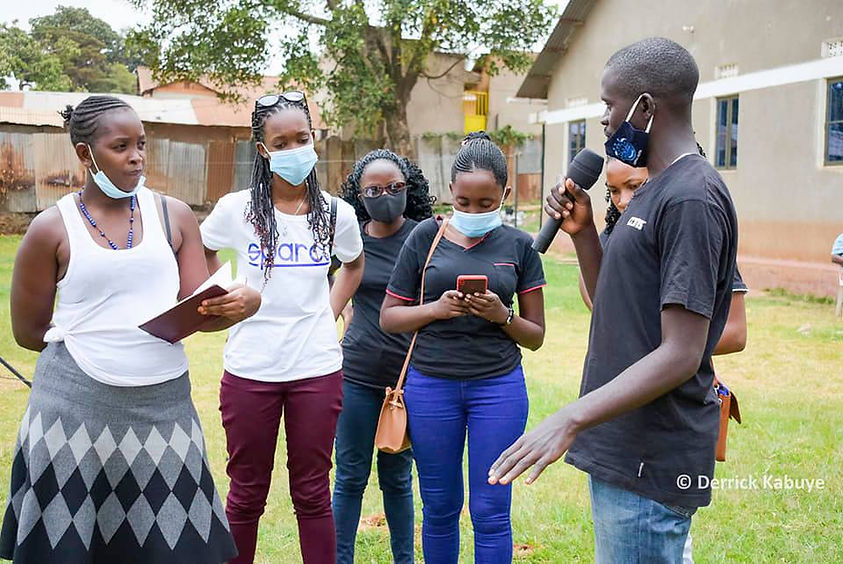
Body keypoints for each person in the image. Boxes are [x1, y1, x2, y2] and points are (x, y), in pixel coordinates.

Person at [489, 38, 739, 564]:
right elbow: (618, 304)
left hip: (651, 455)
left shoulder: (691, 197)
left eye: (609, 106)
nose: (604, 121)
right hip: (624, 444)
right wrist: (583, 235)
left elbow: (681, 352)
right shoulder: (653, 189)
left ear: (645, 107)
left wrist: (571, 418)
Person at [1, 95, 261, 563]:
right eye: (121, 146)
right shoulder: (50, 229)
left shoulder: (174, 215)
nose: (137, 155)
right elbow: (27, 333)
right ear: (85, 154)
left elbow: (199, 310)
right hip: (72, 413)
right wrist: (98, 354)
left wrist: (242, 303)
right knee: (68, 546)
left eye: (141, 143)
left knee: (172, 546)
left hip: (163, 409)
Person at [199, 91, 364, 564]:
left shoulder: (337, 213)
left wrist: (327, 311)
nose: (294, 150)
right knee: (246, 492)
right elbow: (202, 248)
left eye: (302, 138)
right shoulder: (237, 210)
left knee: (312, 492)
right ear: (262, 148)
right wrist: (224, 291)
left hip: (315, 368)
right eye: (281, 141)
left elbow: (353, 265)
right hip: (251, 368)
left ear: (315, 140)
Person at [380, 132, 547, 563]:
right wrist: (436, 308)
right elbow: (390, 317)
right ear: (450, 192)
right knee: (438, 507)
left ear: (504, 195)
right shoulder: (424, 237)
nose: (473, 212)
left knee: (491, 510)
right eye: (464, 202)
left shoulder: (520, 246)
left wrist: (501, 316)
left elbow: (536, 335)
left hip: (498, 389)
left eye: (486, 204)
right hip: (431, 387)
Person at [579, 156, 748, 564]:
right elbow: (606, 306)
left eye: (634, 187)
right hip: (620, 425)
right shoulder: (622, 233)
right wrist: (583, 234)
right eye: (614, 191)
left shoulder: (689, 223)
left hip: (659, 433)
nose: (623, 200)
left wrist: (673, 346)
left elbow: (735, 331)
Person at [332, 149, 434, 564]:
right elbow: (333, 289)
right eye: (373, 190)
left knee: (397, 478)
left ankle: (403, 560)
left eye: (394, 187)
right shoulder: (350, 237)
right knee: (350, 477)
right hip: (356, 374)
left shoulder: (425, 237)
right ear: (359, 194)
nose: (385, 196)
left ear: (409, 189)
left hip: (407, 379)